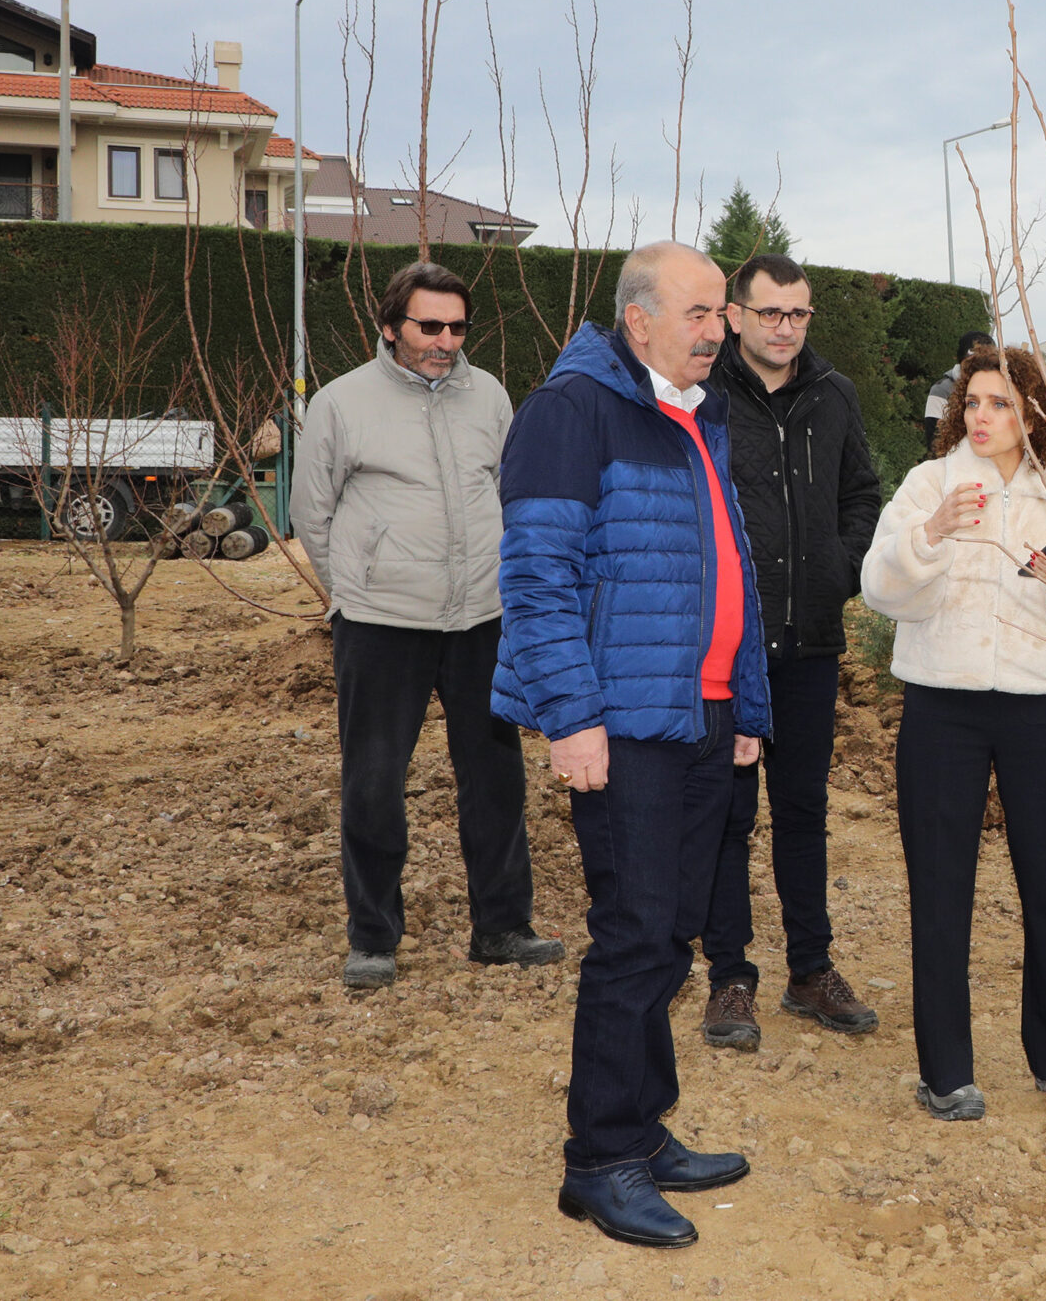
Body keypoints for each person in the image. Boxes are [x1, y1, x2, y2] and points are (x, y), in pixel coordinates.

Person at [493, 242, 764, 1250]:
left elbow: (727, 567)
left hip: (700, 716)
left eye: (721, 312)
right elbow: (537, 577)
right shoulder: (572, 412)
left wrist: (745, 706)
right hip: (623, 723)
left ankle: (643, 1131)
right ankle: (599, 1160)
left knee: (672, 931)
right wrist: (570, 717)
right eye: (700, 311)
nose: (718, 329)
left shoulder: (697, 414)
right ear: (638, 320)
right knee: (633, 934)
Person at [861, 345, 1046, 1122]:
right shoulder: (930, 485)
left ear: (1033, 415)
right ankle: (946, 1073)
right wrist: (930, 536)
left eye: (1001, 403)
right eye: (973, 402)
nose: (982, 416)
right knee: (939, 892)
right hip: (941, 711)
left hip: (1041, 711)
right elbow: (878, 589)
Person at [294, 261, 559, 992]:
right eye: (429, 326)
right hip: (382, 625)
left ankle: (502, 927)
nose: (446, 341)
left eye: (457, 327)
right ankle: (373, 936)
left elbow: (509, 489)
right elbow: (311, 511)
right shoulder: (342, 402)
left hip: (481, 618)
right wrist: (357, 588)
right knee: (374, 782)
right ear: (390, 327)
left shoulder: (490, 396)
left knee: (496, 779)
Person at [698, 253, 884, 1050]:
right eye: (770, 312)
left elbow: (861, 494)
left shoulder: (833, 394)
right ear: (735, 315)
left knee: (803, 811)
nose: (784, 327)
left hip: (809, 642)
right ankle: (730, 978)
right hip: (729, 647)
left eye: (798, 314)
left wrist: (839, 569)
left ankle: (811, 970)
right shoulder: (703, 395)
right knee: (727, 816)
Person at [921, 331, 993, 449]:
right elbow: (935, 442)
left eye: (982, 365)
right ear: (960, 361)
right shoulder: (942, 391)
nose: (975, 369)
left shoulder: (999, 390)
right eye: (970, 364)